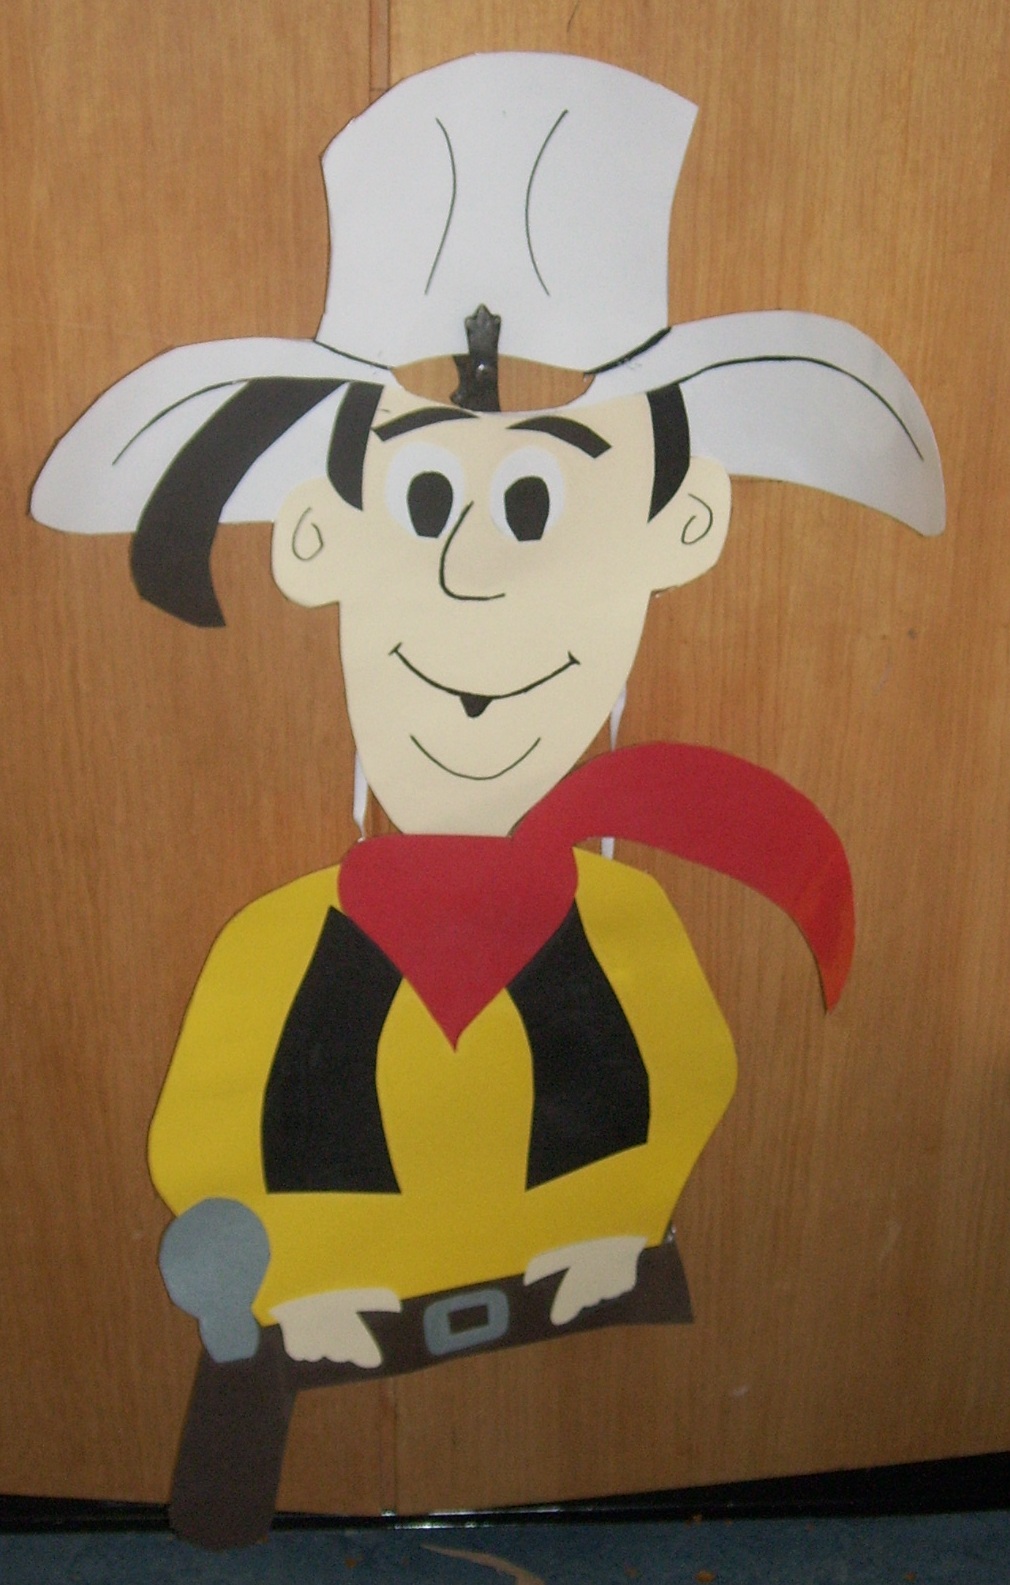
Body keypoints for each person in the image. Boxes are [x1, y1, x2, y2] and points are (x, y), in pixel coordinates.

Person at [31, 51, 944, 1544]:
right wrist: (273, 1278)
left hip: (579, 1267)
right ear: (316, 542)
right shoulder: (281, 944)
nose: (469, 576)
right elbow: (208, 1134)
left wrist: (621, 1226)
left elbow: (686, 1074)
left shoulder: (623, 922)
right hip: (322, 1291)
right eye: (423, 505)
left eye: (538, 506)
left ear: (679, 527)